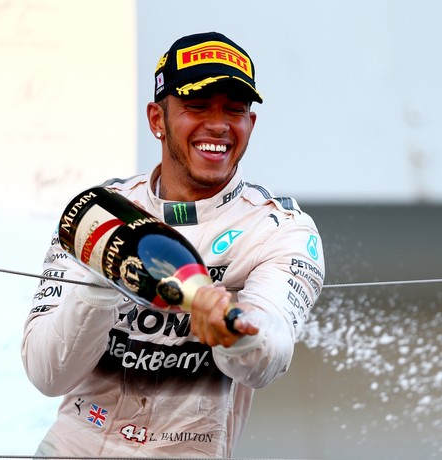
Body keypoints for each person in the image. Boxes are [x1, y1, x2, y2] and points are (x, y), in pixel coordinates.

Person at [21, 31, 324, 458]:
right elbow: (46, 374)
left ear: (250, 124)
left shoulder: (280, 228)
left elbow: (268, 357)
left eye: (234, 109)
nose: (218, 124)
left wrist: (232, 331)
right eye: (197, 106)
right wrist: (105, 276)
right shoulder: (101, 211)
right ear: (156, 120)